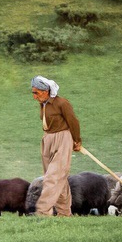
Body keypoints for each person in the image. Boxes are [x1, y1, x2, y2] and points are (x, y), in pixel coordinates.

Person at [31, 75, 82, 217]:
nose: (34, 96)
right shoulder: (43, 103)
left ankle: (42, 211)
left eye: (36, 93)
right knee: (59, 178)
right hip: (47, 139)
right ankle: (65, 213)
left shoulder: (62, 103)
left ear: (45, 91)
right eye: (33, 93)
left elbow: (73, 122)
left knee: (52, 177)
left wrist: (76, 141)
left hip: (63, 138)